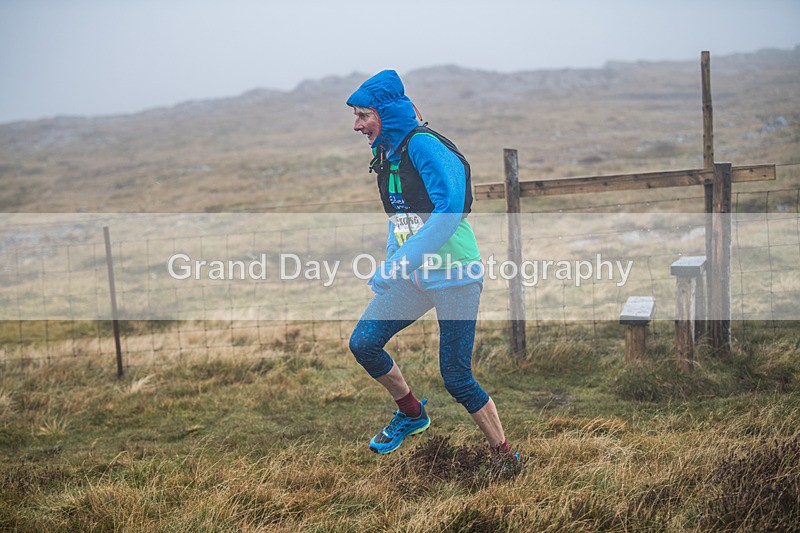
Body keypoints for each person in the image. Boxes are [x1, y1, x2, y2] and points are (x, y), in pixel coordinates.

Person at [346, 69, 519, 467]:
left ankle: (504, 456)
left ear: (385, 114)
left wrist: (399, 264)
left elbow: (447, 213)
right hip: (415, 278)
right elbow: (400, 220)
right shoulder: (387, 156)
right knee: (364, 343)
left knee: (456, 376)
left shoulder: (424, 145)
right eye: (355, 117)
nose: (356, 125)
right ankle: (411, 414)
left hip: (456, 276)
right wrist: (393, 264)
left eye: (363, 116)